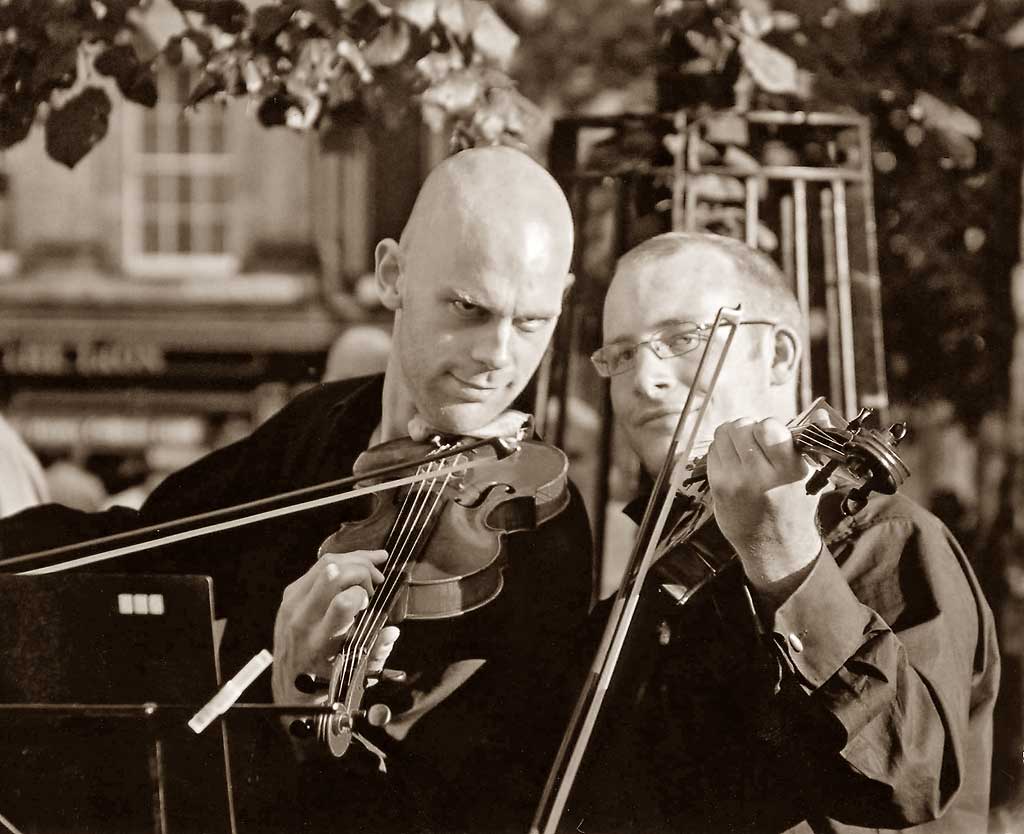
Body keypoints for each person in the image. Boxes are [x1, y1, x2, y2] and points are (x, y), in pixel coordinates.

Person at [0, 147, 595, 834]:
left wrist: (299, 715)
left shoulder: (537, 532)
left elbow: (452, 799)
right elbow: (142, 542)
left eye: (531, 322)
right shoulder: (327, 421)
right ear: (392, 275)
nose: (498, 355)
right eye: (468, 308)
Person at [561, 231, 999, 834]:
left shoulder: (892, 538)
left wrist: (788, 563)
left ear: (779, 357)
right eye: (621, 354)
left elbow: (912, 778)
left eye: (682, 338)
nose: (645, 379)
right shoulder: (673, 552)